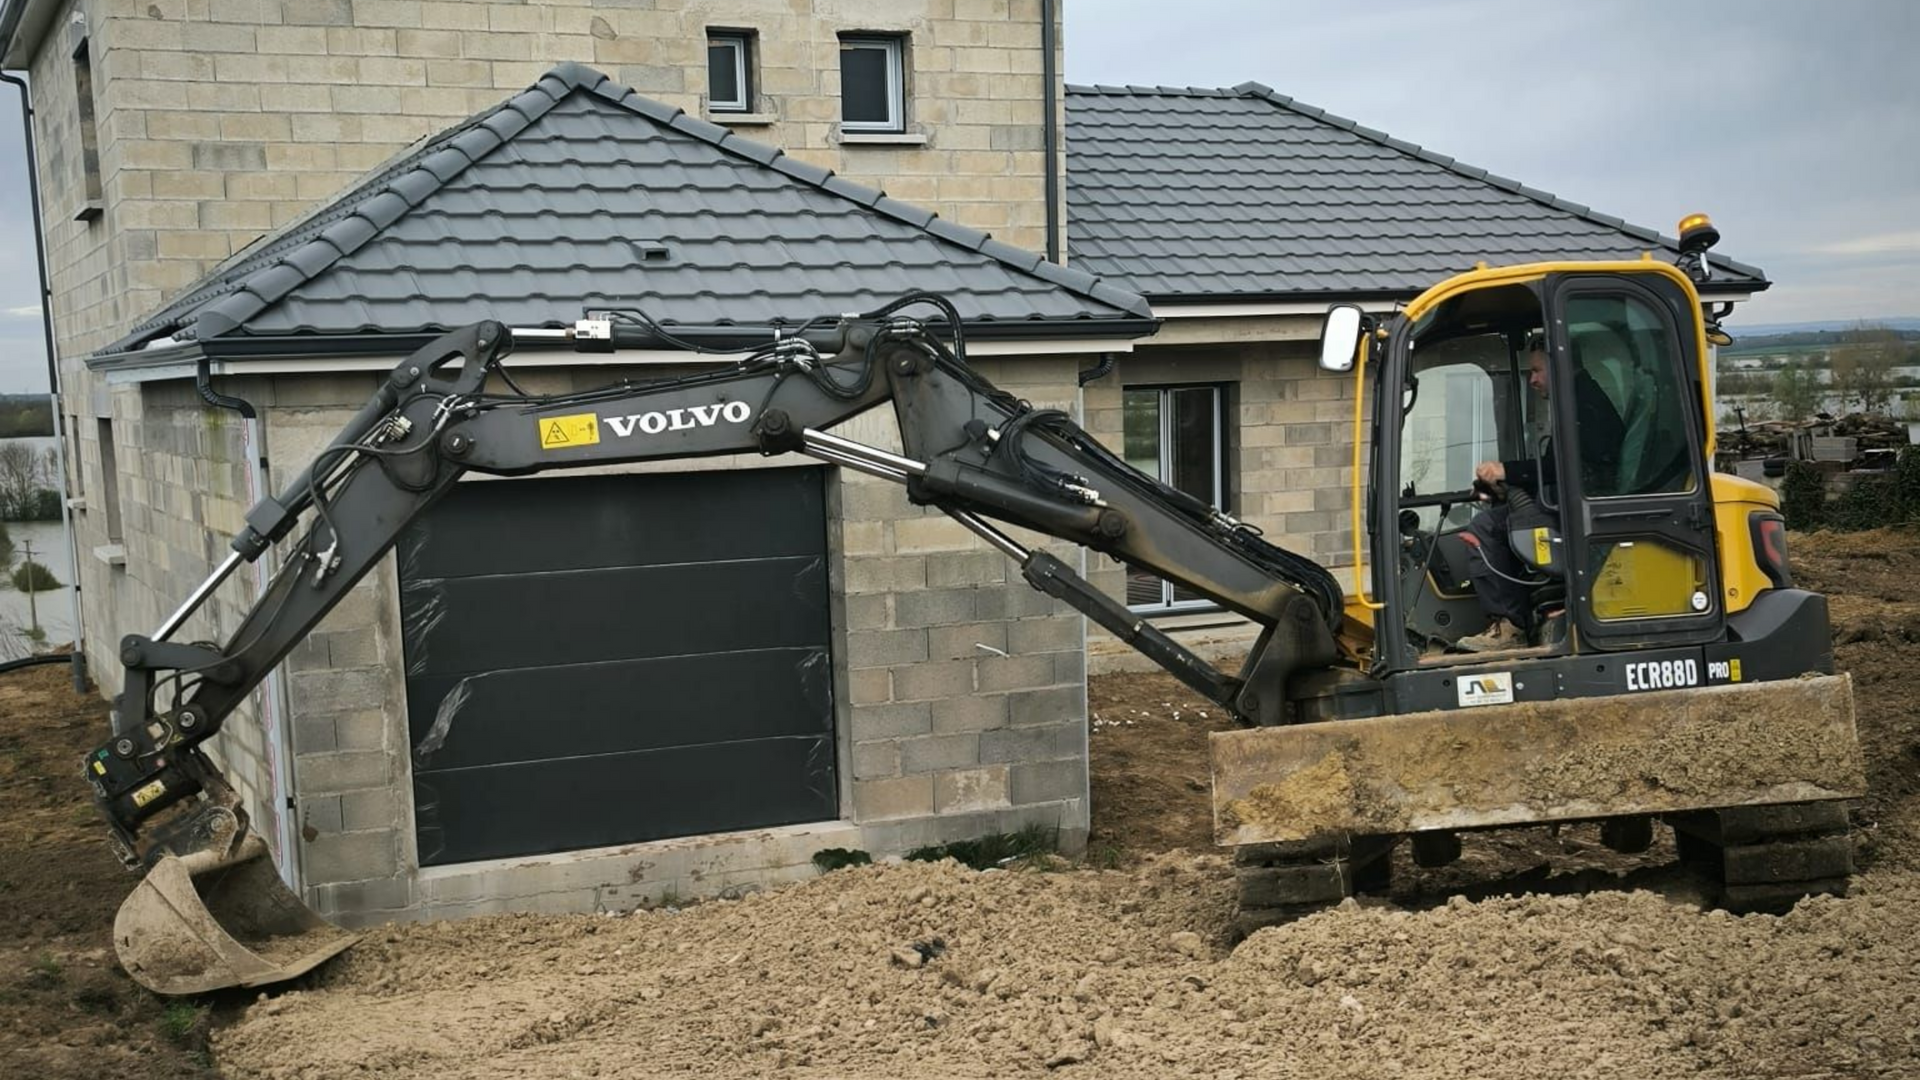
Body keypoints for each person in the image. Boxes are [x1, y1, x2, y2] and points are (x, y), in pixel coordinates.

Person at [1455, 336, 1625, 651]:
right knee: (1494, 521)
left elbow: (1565, 468)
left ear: (1560, 366)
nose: (1531, 380)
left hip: (1581, 510)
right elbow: (1557, 467)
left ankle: (1510, 627)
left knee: (1485, 528)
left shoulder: (1585, 406)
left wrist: (1506, 471)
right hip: (1568, 502)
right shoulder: (1576, 400)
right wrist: (1506, 483)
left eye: (1536, 371)